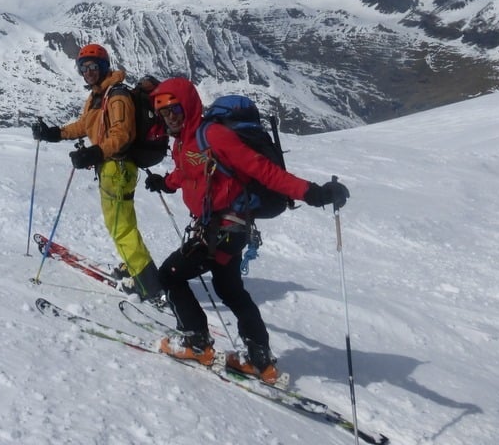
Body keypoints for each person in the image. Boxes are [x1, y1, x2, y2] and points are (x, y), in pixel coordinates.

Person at [144, 76, 349, 383]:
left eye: (174, 108)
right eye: (163, 112)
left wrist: (313, 193)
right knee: (230, 290)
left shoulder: (212, 135)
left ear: (187, 105)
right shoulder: (185, 141)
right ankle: (259, 361)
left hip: (222, 230)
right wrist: (167, 183)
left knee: (170, 275)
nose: (169, 116)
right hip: (224, 229)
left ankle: (197, 343)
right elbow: (188, 170)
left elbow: (263, 171)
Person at [31, 43, 163, 300]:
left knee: (121, 229)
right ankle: (134, 266)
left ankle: (148, 284)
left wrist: (95, 153)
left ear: (104, 66)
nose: (88, 71)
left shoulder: (117, 96)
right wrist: (55, 133)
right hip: (112, 167)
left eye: (94, 66)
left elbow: (121, 135)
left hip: (118, 167)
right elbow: (86, 125)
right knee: (124, 224)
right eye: (84, 67)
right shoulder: (98, 95)